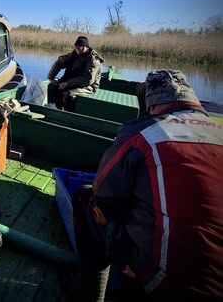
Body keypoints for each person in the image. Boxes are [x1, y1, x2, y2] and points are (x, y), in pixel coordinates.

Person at [69, 69, 223, 301]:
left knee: (86, 200)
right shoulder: (218, 131)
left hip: (170, 282)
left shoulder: (144, 132)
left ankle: (90, 294)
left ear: (152, 103)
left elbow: (103, 193)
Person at [47, 35, 104, 111]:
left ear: (86, 47)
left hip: (88, 86)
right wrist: (51, 77)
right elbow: (60, 62)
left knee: (69, 94)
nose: (78, 50)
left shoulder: (94, 61)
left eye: (79, 48)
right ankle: (55, 111)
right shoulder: (74, 55)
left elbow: (87, 80)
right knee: (52, 87)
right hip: (71, 81)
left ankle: (68, 116)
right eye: (77, 47)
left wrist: (67, 84)